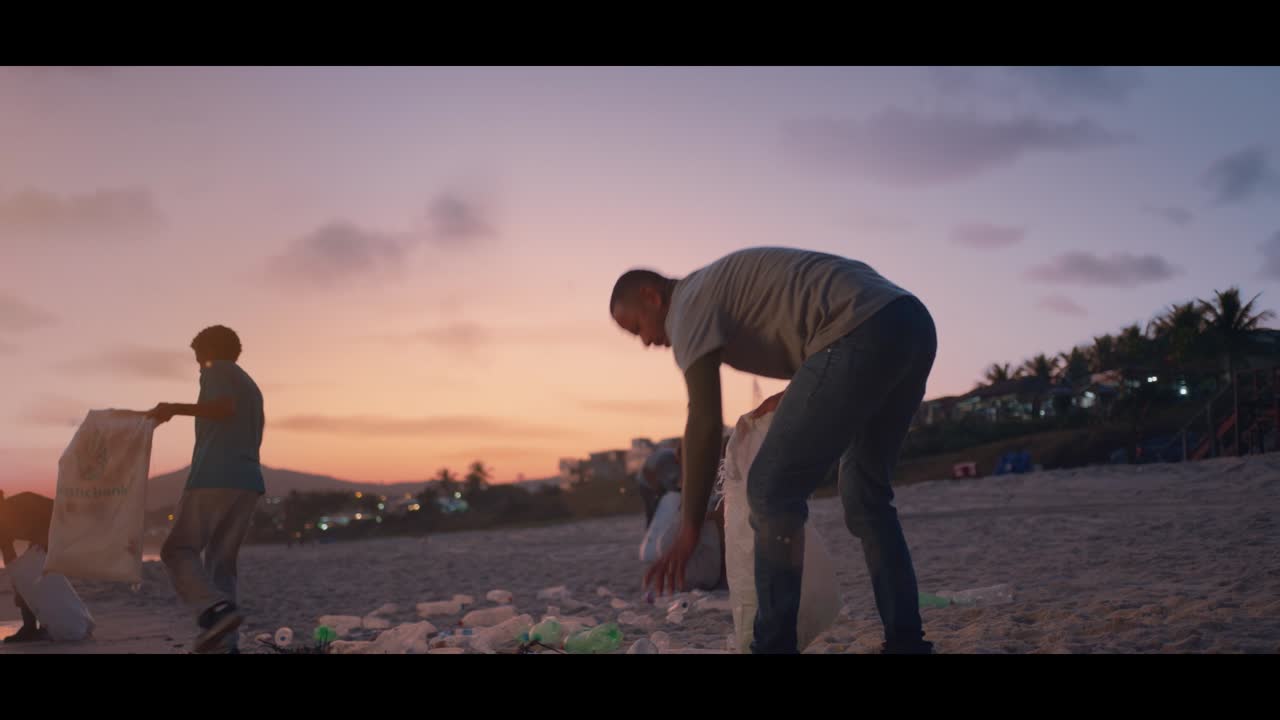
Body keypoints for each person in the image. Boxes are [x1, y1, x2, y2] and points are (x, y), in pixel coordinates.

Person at [610, 246, 937, 654]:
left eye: (637, 327)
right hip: (910, 322)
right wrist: (797, 391)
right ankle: (907, 642)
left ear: (651, 296)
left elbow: (705, 420)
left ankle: (773, 646)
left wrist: (689, 528)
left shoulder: (686, 305)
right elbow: (816, 318)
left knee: (769, 490)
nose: (645, 341)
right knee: (867, 498)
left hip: (858, 330)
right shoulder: (715, 288)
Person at [145, 325, 265, 654]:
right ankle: (226, 645)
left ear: (209, 351)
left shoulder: (217, 370)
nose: (199, 365)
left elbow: (223, 408)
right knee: (221, 564)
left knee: (176, 550)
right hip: (248, 481)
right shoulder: (250, 385)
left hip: (214, 476)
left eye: (199, 357)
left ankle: (215, 610)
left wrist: (174, 408)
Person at [0, 491, 55, 643]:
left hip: (57, 526)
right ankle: (29, 627)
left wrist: (42, 540)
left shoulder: (24, 503)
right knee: (22, 579)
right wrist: (19, 579)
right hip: (40, 534)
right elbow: (10, 557)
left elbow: (54, 515)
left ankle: (47, 626)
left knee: (45, 580)